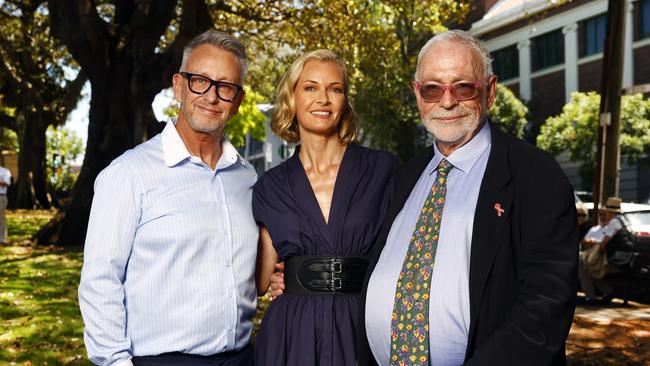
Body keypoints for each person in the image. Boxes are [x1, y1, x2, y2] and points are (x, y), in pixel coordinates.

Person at [357, 30, 578, 365]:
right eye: (433, 88)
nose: (447, 102)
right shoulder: (407, 175)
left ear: (489, 92)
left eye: (463, 86)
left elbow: (546, 306)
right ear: (418, 95)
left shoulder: (535, 175)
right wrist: (301, 274)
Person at [78, 30, 258, 366]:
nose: (212, 96)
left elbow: (254, 271)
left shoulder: (247, 179)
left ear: (238, 101)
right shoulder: (129, 174)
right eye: (200, 81)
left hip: (242, 358)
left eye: (225, 86)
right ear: (178, 86)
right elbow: (100, 281)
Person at [254, 49, 400, 366]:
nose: (323, 98)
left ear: (345, 100)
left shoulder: (382, 170)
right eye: (310, 87)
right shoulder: (269, 186)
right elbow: (261, 281)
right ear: (291, 97)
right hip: (291, 334)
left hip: (361, 325)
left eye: (335, 89)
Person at [578, 197, 622, 302]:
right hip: (599, 254)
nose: (603, 216)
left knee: (581, 262)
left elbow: (603, 244)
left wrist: (595, 247)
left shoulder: (614, 222)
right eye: (601, 214)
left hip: (605, 256)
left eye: (605, 213)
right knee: (587, 267)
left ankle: (591, 296)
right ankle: (608, 292)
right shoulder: (616, 222)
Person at [0, 164, 11, 244]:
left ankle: (2, 238)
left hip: (1, 197)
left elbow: (7, 183)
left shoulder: (5, 171)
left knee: (1, 218)